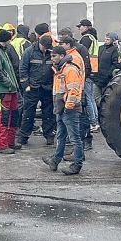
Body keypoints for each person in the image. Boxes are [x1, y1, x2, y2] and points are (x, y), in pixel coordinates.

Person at [43, 46, 85, 175]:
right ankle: (55, 160)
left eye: (54, 56)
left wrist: (68, 106)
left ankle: (77, 164)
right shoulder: (61, 69)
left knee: (74, 138)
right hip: (62, 108)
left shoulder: (69, 70)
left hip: (69, 109)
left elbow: (74, 90)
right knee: (61, 136)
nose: (52, 58)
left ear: (61, 56)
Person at [17, 35, 56, 146]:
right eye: (44, 47)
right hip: (32, 87)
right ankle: (23, 135)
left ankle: (49, 135)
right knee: (28, 112)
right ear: (39, 43)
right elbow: (23, 68)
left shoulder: (50, 52)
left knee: (48, 113)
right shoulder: (29, 52)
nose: (45, 49)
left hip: (47, 88)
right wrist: (26, 85)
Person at [0, 27, 20, 154]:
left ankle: (10, 142)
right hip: (3, 91)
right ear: (5, 40)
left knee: (13, 116)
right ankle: (2, 145)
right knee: (3, 118)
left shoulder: (2, 50)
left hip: (10, 89)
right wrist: (10, 83)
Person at [77, 19, 101, 132]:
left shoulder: (86, 38)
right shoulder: (93, 38)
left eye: (80, 26)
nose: (79, 28)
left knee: (87, 97)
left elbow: (81, 52)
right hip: (94, 69)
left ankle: (93, 122)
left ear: (86, 27)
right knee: (90, 97)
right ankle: (95, 121)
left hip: (87, 70)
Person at [93, 32, 121, 106]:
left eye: (108, 39)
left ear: (113, 40)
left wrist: (108, 74)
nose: (105, 40)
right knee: (95, 98)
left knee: (107, 98)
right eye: (105, 39)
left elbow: (117, 64)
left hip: (108, 79)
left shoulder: (115, 50)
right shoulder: (101, 48)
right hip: (98, 78)